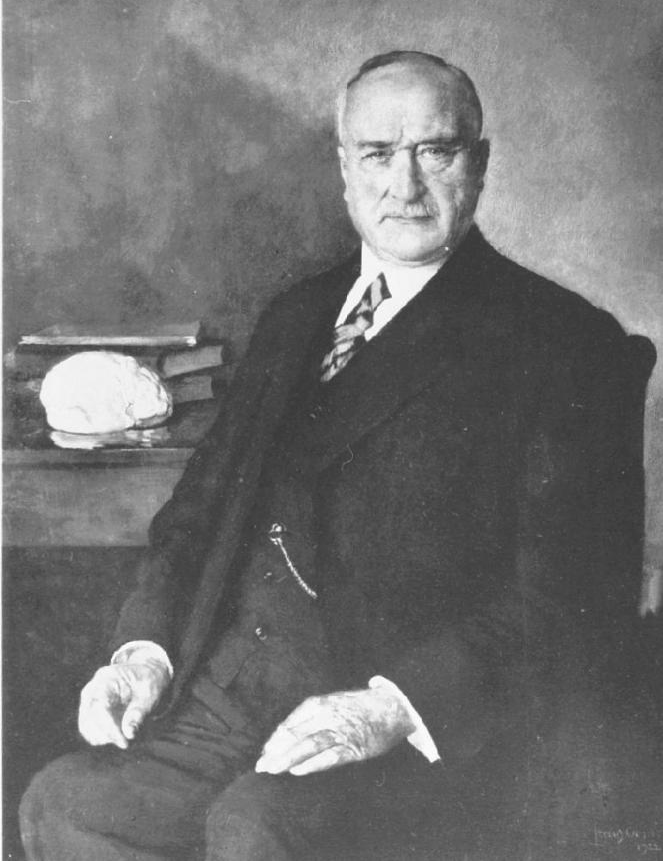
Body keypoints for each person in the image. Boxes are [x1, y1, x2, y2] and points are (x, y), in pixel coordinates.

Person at [20, 50, 659, 860]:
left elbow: (574, 596)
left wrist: (392, 706)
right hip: (225, 695)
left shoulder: (565, 343)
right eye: (378, 154)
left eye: (435, 151)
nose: (405, 185)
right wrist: (141, 652)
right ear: (345, 169)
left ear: (479, 164)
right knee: (71, 806)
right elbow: (195, 518)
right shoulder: (296, 314)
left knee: (254, 829)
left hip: (400, 719)